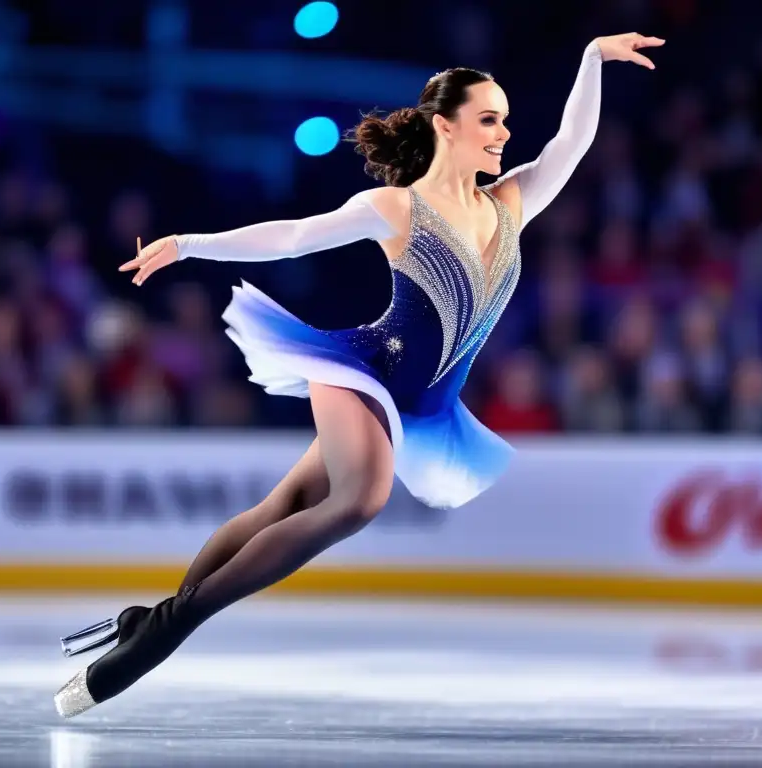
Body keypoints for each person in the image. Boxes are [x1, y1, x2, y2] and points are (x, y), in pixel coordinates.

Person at [54, 31, 664, 719]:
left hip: (417, 403)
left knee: (279, 508)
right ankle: (165, 632)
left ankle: (153, 619)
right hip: (364, 374)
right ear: (446, 127)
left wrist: (588, 58)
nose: (504, 131)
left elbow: (570, 144)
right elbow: (292, 237)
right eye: (489, 118)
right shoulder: (400, 208)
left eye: (505, 118)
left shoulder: (513, 203)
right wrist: (189, 245)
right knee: (361, 498)